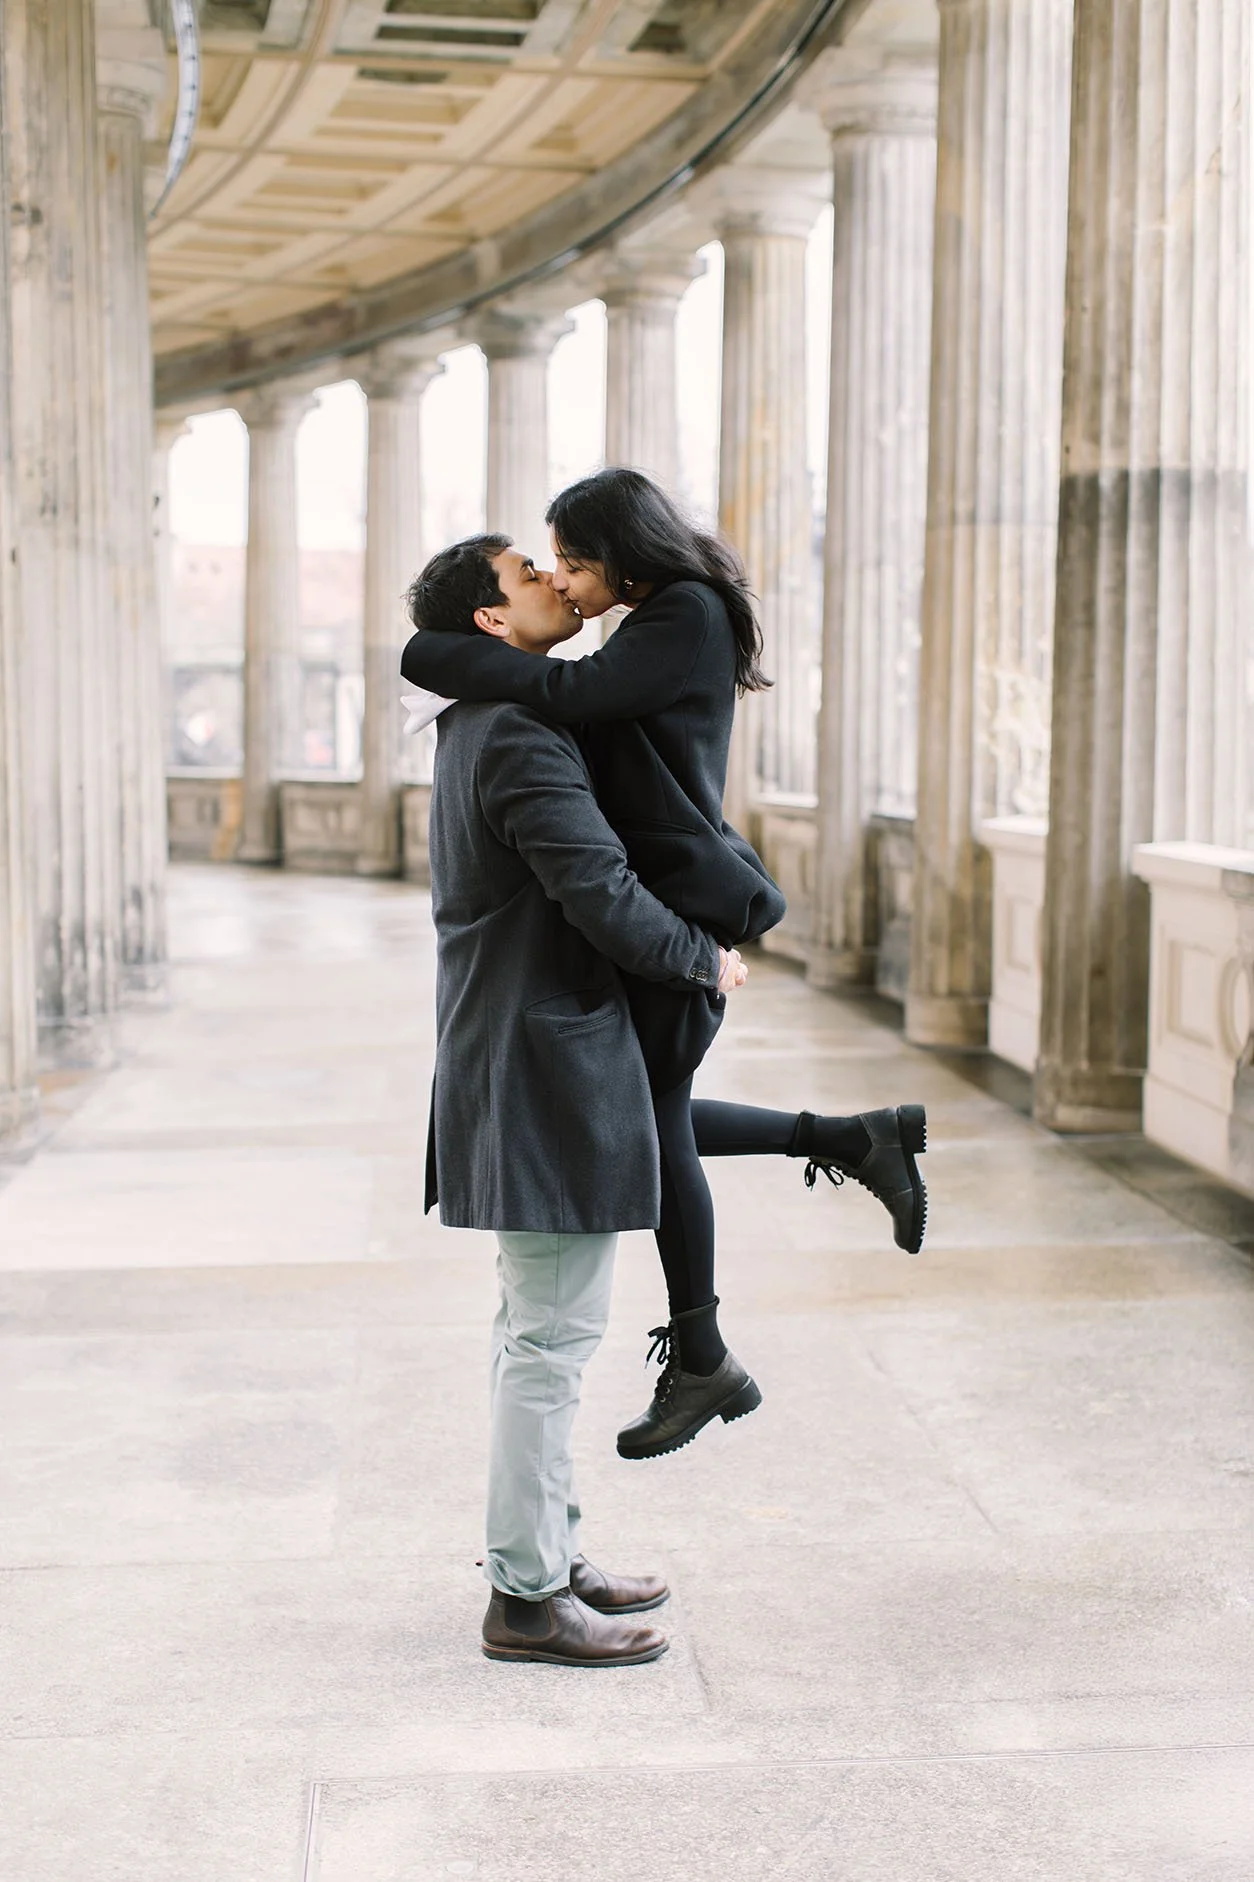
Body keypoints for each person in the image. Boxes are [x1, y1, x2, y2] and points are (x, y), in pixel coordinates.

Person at [402, 480, 927, 1464]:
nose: (560, 577)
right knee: (644, 1111)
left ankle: (707, 1345)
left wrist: (435, 654)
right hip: (673, 896)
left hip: (686, 904)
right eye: (539, 567)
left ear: (618, 550)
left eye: (568, 558)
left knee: (645, 1115)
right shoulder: (652, 620)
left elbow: (571, 699)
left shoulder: (683, 612)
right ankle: (846, 1153)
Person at [410, 535, 752, 1667]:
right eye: (528, 574)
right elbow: (599, 893)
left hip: (516, 1054)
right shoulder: (515, 734)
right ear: (491, 626)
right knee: (550, 1344)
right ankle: (524, 1597)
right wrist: (704, 956)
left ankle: (549, 1552)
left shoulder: (484, 719)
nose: (559, 579)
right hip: (544, 1067)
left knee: (533, 1333)